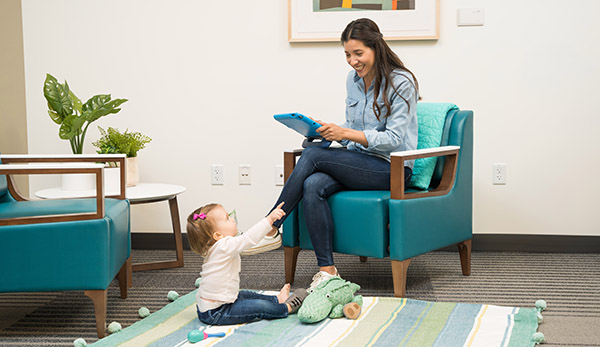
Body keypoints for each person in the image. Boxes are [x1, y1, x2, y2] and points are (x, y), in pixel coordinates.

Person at [248, 18, 420, 290]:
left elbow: (394, 139)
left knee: (313, 157)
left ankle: (271, 224)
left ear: (376, 47)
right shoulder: (354, 80)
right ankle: (327, 271)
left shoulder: (402, 82)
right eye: (347, 55)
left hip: (393, 169)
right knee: (312, 183)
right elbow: (353, 126)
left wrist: (344, 134)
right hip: (360, 162)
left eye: (358, 53)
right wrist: (326, 131)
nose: (353, 61)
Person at [187, 201, 308, 325]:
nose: (232, 219)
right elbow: (248, 238)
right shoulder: (223, 246)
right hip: (217, 312)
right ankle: (286, 308)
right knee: (258, 306)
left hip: (213, 306)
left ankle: (277, 299)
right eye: (227, 218)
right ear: (218, 235)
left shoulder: (215, 248)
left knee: (245, 295)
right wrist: (269, 220)